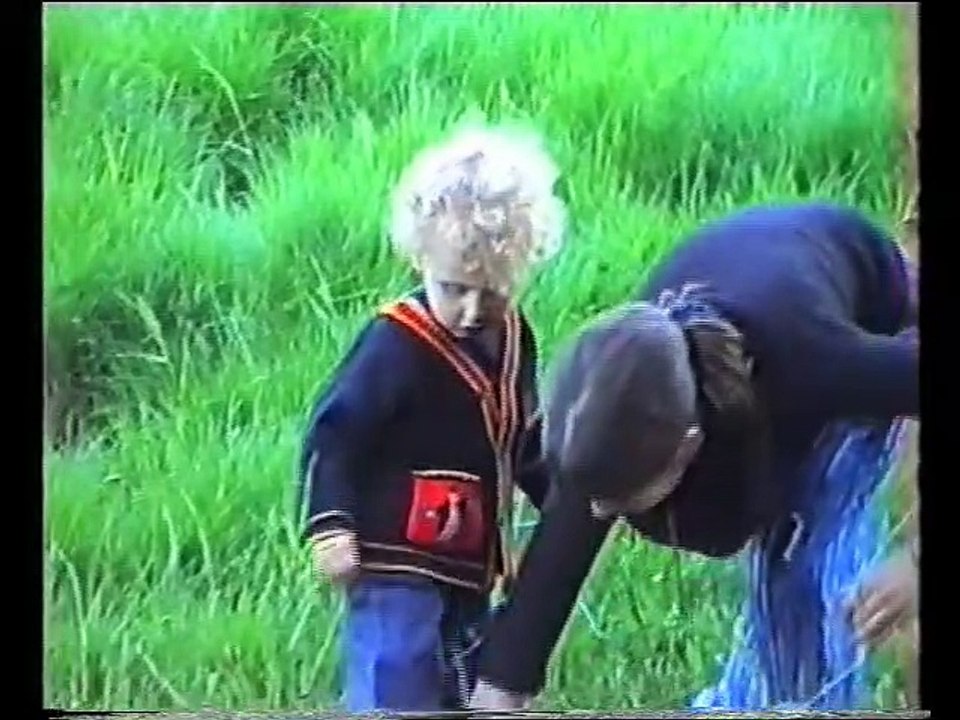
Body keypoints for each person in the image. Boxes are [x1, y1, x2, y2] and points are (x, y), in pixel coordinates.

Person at [467, 202, 919, 711]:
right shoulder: (608, 410)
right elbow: (558, 554)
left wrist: (914, 563)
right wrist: (499, 690)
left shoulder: (821, 365)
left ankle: (804, 701)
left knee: (802, 565)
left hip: (868, 307)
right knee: (742, 532)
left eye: (620, 501)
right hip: (757, 300)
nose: (597, 513)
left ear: (688, 445)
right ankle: (748, 699)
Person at [295, 122, 567, 712]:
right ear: (419, 255)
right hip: (394, 559)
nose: (471, 311)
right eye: (453, 288)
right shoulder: (396, 341)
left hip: (469, 565)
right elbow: (336, 433)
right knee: (397, 674)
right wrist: (330, 522)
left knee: (458, 678)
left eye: (491, 293)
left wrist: (562, 493)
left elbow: (519, 433)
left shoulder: (515, 338)